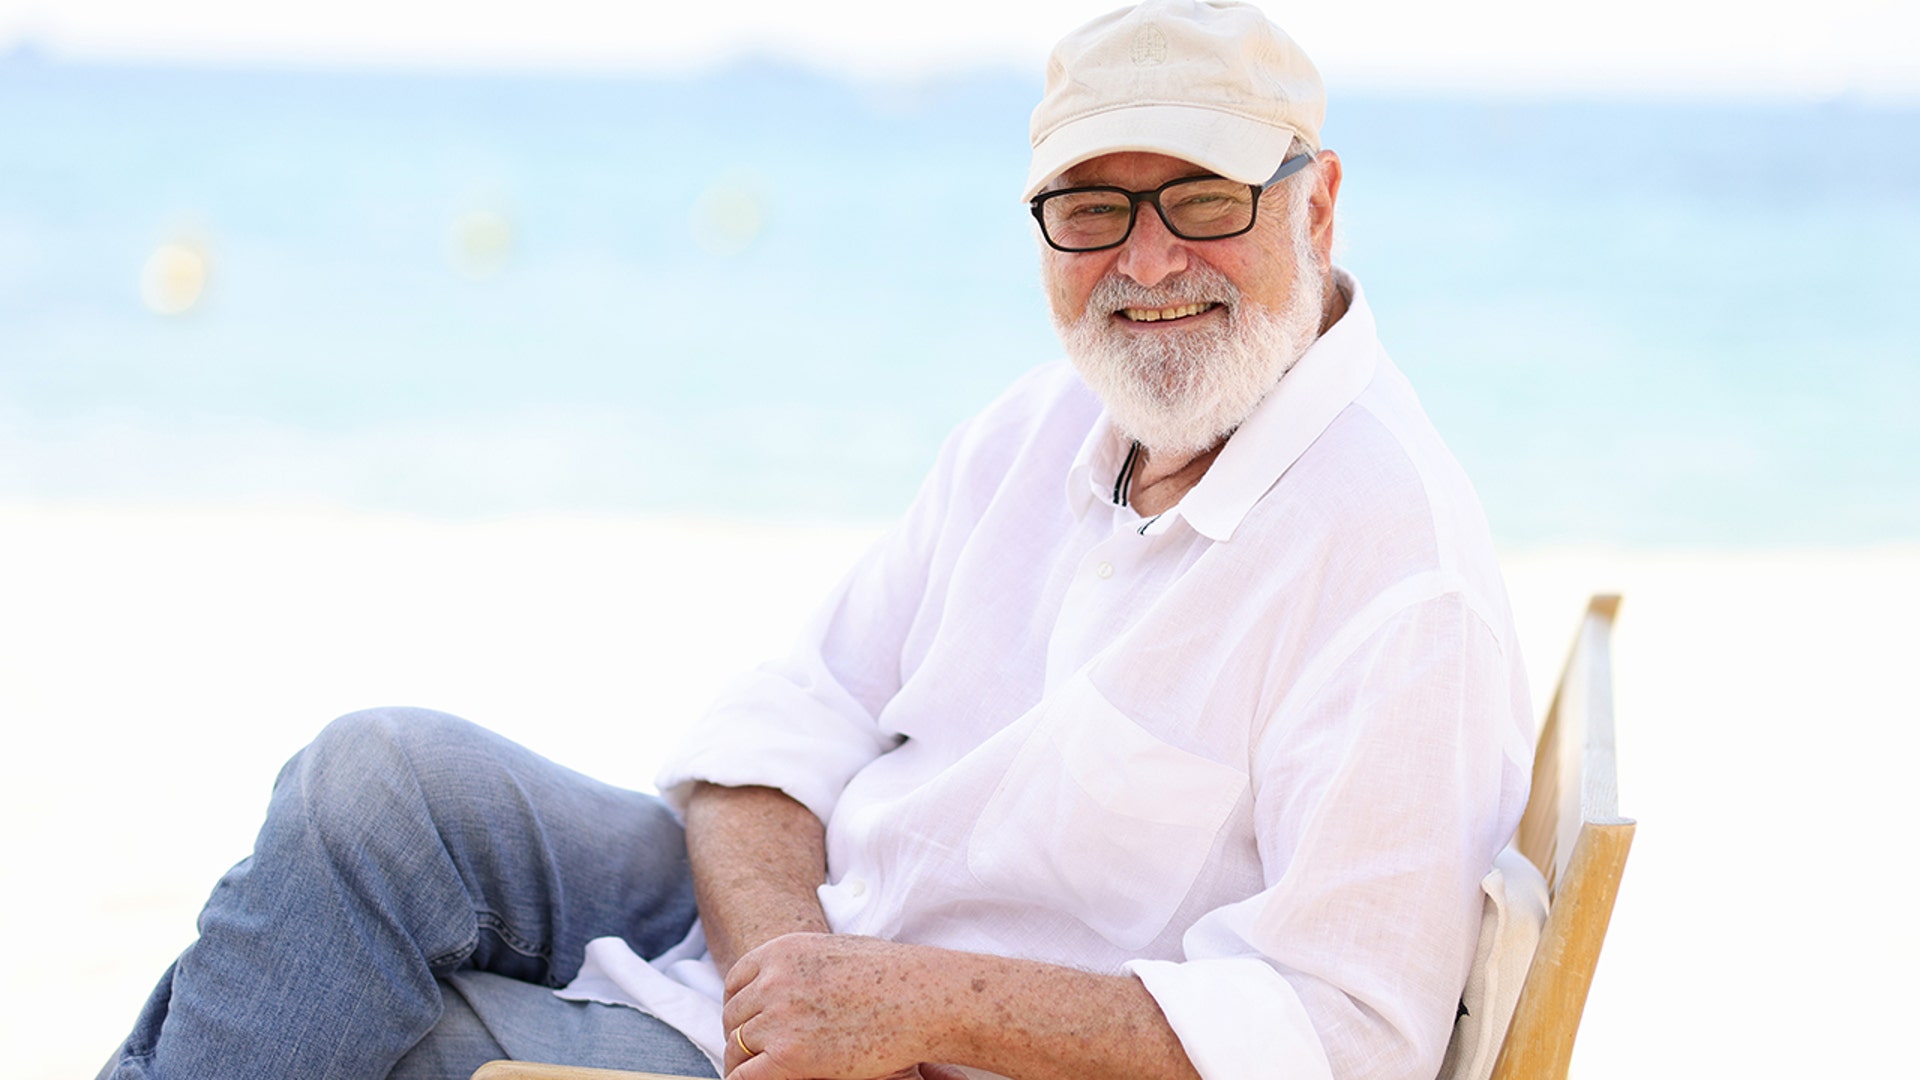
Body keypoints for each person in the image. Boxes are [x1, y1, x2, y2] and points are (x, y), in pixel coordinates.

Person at [97, 3, 1532, 1079]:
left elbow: (1342, 1032)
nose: (1146, 262)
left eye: (1203, 201)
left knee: (371, 1036)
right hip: (806, 957)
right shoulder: (1044, 431)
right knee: (371, 783)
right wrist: (792, 965)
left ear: (1318, 203)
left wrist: (917, 1005)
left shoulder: (1397, 572)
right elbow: (784, 726)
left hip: (945, 1059)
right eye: (1094, 208)